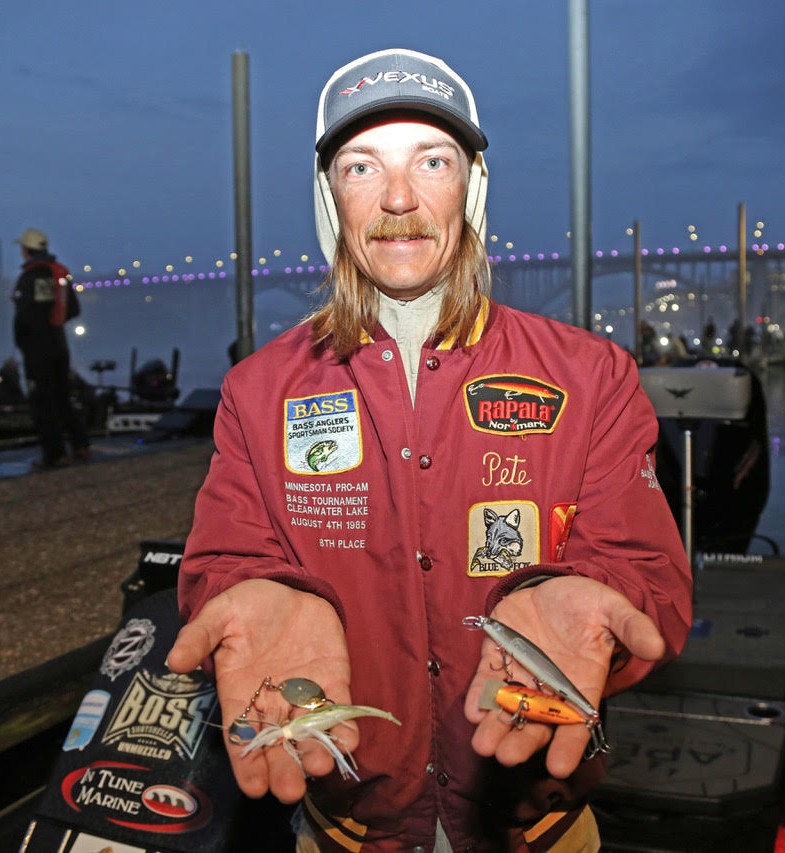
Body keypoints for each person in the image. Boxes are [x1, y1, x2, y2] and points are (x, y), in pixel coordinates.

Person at [167, 48, 692, 851]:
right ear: (329, 197)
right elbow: (223, 563)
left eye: (432, 161)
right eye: (361, 166)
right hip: (345, 828)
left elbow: (647, 578)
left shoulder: (590, 375)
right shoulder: (256, 389)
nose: (399, 198)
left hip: (540, 828)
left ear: (471, 186)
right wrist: (257, 593)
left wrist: (585, 596)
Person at [12, 227, 90, 469]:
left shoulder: (28, 278)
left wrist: (23, 342)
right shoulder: (59, 274)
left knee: (42, 403)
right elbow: (73, 309)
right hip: (59, 346)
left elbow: (23, 319)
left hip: (37, 351)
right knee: (63, 397)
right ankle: (81, 445)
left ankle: (54, 455)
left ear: (26, 250)